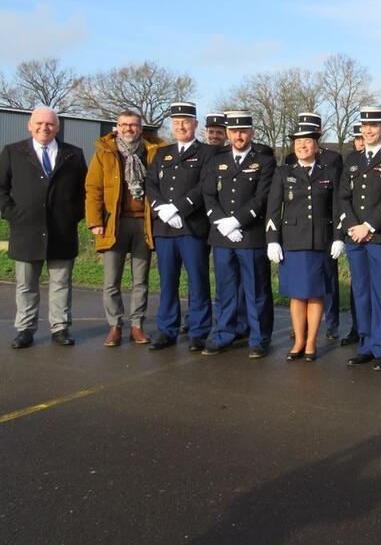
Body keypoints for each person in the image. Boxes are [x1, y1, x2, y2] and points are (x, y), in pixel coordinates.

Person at [2, 106, 87, 349]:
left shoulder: (74, 154)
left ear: (57, 127)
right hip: (25, 230)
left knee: (61, 283)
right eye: (39, 123)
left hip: (62, 231)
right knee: (26, 285)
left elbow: (85, 191)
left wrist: (74, 216)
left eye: (49, 124)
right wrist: (12, 214)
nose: (44, 127)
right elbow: (1, 189)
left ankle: (60, 328)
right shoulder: (12, 152)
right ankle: (25, 329)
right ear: (30, 125)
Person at [266, 120, 344, 362]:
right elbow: (273, 208)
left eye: (307, 142)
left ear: (316, 145)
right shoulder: (283, 173)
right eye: (298, 142)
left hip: (320, 242)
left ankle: (311, 342)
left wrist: (338, 238)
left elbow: (337, 208)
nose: (302, 146)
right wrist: (272, 240)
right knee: (298, 295)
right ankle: (299, 340)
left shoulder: (329, 173)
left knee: (316, 294)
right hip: (293, 242)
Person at [201, 111, 276, 358]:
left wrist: (236, 221)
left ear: (252, 133)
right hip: (222, 236)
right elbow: (209, 195)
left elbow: (262, 197)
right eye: (234, 132)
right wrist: (222, 222)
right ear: (229, 134)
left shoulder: (264, 161)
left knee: (256, 289)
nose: (239, 136)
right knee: (226, 288)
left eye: (243, 131)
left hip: (250, 235)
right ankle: (224, 333)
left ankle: (258, 338)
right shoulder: (217, 159)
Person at [337, 106, 381, 370]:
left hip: (379, 236)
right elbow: (342, 197)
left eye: (374, 126)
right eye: (365, 126)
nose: (368, 130)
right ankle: (365, 345)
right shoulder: (352, 160)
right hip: (355, 236)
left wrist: (368, 225)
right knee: (361, 293)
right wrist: (354, 226)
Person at [85, 110, 161, 347]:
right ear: (116, 127)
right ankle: (115, 325)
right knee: (111, 280)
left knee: (141, 280)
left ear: (141, 128)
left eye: (133, 125)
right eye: (124, 125)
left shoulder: (153, 152)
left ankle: (137, 325)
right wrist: (95, 221)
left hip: (144, 222)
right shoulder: (104, 154)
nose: (128, 129)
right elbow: (93, 189)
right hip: (113, 223)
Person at [145, 102, 214, 351]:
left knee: (197, 280)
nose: (181, 126)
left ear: (195, 125)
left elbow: (205, 186)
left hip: (192, 227)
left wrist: (179, 208)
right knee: (167, 281)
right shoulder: (163, 154)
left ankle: (198, 330)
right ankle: (167, 329)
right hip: (165, 229)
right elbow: (150, 184)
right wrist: (161, 208)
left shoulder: (207, 153)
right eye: (176, 123)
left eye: (186, 122)